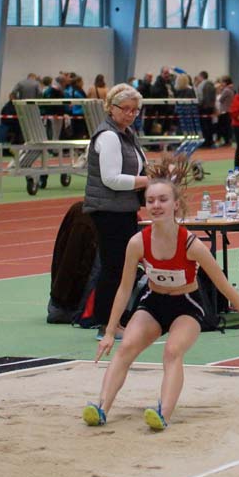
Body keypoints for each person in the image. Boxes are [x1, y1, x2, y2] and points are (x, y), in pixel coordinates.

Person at [84, 157, 239, 428]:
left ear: (175, 204)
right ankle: (101, 408)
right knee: (126, 348)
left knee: (172, 352)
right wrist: (111, 331)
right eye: (151, 201)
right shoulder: (137, 243)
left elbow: (222, 284)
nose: (156, 206)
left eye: (163, 200)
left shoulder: (191, 245)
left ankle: (163, 413)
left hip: (187, 306)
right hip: (153, 303)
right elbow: (124, 288)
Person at [82, 84, 149, 331]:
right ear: (111, 108)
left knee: (123, 266)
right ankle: (106, 322)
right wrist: (148, 181)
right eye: (125, 109)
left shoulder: (126, 133)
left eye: (135, 110)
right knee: (115, 267)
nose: (130, 114)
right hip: (109, 211)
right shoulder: (109, 136)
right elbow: (111, 179)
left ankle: (114, 320)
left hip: (123, 209)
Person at [195, 71, 218, 148]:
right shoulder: (211, 84)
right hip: (210, 107)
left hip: (204, 108)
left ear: (201, 76)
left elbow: (201, 97)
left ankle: (206, 142)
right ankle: (210, 141)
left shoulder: (201, 85)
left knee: (204, 126)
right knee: (209, 125)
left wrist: (200, 106)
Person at [216, 75, 235, 146]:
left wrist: (219, 92)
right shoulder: (231, 89)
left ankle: (226, 141)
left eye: (222, 82)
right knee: (227, 127)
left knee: (223, 127)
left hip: (224, 110)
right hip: (228, 110)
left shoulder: (226, 90)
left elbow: (220, 99)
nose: (221, 84)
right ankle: (228, 140)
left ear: (226, 82)